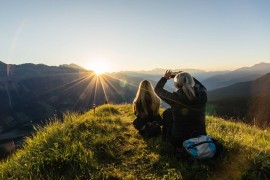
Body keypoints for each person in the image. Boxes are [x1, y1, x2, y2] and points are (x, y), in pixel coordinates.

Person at [154, 70, 207, 148]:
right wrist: (186, 75)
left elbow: (157, 90)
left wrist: (165, 78)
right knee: (169, 112)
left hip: (179, 140)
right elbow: (200, 85)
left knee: (168, 112)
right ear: (192, 82)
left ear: (176, 85)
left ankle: (164, 139)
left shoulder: (174, 98)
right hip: (201, 137)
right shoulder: (203, 95)